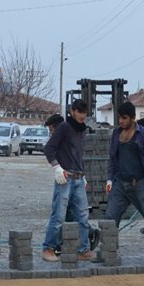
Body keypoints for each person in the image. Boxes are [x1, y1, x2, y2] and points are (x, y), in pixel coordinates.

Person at [41, 99, 95, 262]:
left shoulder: (81, 130)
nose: (81, 115)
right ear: (72, 111)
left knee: (83, 216)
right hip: (65, 178)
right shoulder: (64, 127)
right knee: (58, 215)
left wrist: (83, 175)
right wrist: (57, 167)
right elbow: (49, 148)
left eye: (84, 112)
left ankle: (83, 249)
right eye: (78, 111)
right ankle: (48, 248)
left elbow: (77, 155)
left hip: (78, 179)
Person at [104, 101, 144, 235]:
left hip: (139, 183)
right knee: (110, 219)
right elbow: (113, 157)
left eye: (124, 118)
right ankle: (109, 251)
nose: (121, 121)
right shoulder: (116, 133)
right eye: (119, 117)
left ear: (132, 117)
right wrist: (110, 179)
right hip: (120, 183)